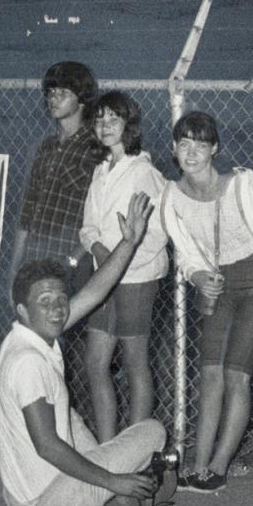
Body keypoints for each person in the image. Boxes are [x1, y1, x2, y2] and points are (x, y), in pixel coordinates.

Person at [0, 192, 167, 506]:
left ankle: (107, 478)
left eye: (60, 298)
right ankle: (113, 484)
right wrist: (114, 480)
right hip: (52, 498)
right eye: (45, 301)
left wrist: (129, 242)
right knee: (153, 431)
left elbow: (95, 291)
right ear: (22, 310)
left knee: (64, 411)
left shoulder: (28, 334)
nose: (57, 308)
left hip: (22, 493)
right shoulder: (28, 361)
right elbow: (47, 446)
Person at [158, 112, 253, 493]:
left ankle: (217, 468)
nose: (192, 153)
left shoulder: (243, 185)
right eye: (184, 144)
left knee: (237, 375)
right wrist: (199, 277)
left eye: (201, 144)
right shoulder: (171, 196)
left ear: (214, 149)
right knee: (209, 374)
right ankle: (197, 465)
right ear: (173, 149)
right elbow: (185, 253)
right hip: (216, 283)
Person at [78, 91, 168, 444]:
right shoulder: (101, 171)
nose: (105, 126)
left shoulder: (143, 172)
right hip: (104, 278)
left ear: (128, 125)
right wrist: (101, 250)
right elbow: (88, 227)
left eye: (113, 119)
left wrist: (124, 259)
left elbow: (159, 232)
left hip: (136, 279)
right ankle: (106, 447)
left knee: (134, 364)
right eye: (99, 120)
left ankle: (135, 449)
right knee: (95, 362)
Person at [8, 61, 103, 276]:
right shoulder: (45, 148)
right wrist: (14, 269)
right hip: (35, 259)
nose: (53, 98)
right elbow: (27, 215)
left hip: (72, 264)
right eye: (51, 92)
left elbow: (101, 217)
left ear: (82, 99)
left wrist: (72, 260)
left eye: (63, 92)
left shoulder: (95, 148)